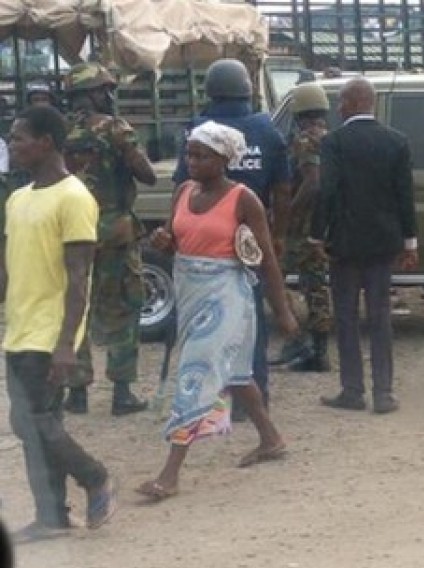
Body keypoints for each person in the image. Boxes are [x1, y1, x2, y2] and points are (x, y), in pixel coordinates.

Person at [137, 122, 299, 500]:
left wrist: (283, 310)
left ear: (225, 158)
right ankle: (271, 439)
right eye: (189, 154)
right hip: (190, 292)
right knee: (237, 373)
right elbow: (173, 240)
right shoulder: (182, 191)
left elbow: (267, 259)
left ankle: (170, 474)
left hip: (227, 297)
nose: (192, 162)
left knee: (196, 373)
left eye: (201, 155)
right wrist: (162, 241)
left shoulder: (244, 200)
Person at [1, 105, 117, 541]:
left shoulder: (74, 198)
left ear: (46, 142)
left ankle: (95, 477)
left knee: (35, 421)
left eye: (19, 137)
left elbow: (78, 278)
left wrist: (66, 343)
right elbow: (9, 267)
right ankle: (50, 516)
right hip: (19, 327)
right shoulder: (18, 198)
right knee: (29, 424)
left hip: (50, 331)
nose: (12, 145)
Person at [173, 58, 291, 418]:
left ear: (209, 90)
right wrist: (278, 235)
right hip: (250, 243)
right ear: (247, 88)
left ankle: (211, 400)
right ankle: (255, 401)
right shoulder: (267, 129)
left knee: (201, 329)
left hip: (207, 246)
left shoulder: (198, 130)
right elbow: (283, 190)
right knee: (249, 323)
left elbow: (180, 187)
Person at [309, 78, 418, 415]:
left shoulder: (333, 143)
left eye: (341, 102)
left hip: (344, 244)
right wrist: (410, 241)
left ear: (354, 103)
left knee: (346, 316)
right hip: (384, 243)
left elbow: (325, 192)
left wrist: (316, 236)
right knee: (380, 316)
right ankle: (383, 393)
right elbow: (405, 196)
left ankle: (352, 391)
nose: (338, 108)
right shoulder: (396, 142)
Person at [62, 62, 156, 417]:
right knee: (123, 307)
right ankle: (121, 392)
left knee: (75, 308)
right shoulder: (116, 128)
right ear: (92, 92)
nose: (109, 95)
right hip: (114, 230)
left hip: (72, 232)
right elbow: (146, 175)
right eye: (104, 89)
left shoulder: (58, 131)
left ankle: (77, 393)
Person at [276, 83, 334, 372]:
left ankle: (295, 340)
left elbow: (312, 182)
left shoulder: (305, 141)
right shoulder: (330, 138)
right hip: (320, 226)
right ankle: (319, 351)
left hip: (302, 228)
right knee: (315, 287)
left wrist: (288, 214)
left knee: (273, 278)